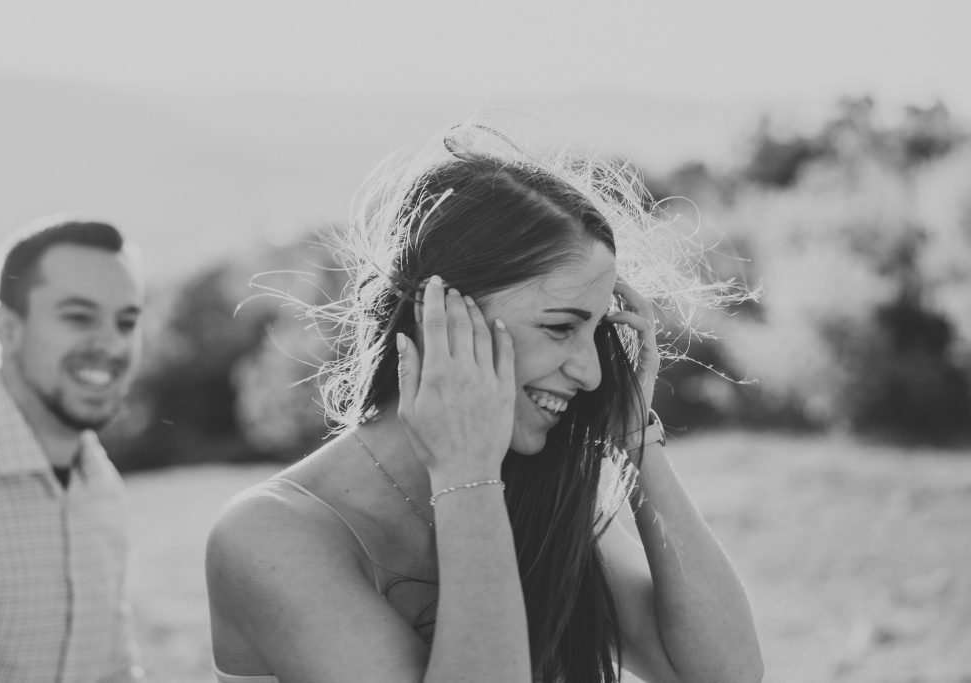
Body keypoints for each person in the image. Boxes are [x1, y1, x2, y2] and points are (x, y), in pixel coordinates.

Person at [206, 120, 763, 683]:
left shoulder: (534, 493)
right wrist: (466, 474)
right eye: (559, 327)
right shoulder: (270, 535)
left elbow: (725, 676)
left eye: (597, 333)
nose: (593, 374)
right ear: (442, 318)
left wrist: (638, 441)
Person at [0, 216, 147, 682]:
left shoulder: (101, 485)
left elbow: (113, 671)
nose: (111, 343)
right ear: (8, 329)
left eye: (126, 322)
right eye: (78, 317)